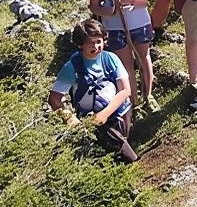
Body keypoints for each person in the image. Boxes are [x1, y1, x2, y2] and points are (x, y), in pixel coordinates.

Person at [48, 19, 137, 162]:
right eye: (91, 43)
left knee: (117, 144)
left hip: (119, 112)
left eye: (99, 41)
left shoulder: (110, 59)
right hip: (90, 119)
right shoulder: (72, 67)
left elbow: (125, 90)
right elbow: (54, 99)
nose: (96, 46)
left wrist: (104, 115)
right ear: (80, 45)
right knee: (115, 149)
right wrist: (72, 122)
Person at [89, 0, 158, 115]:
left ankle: (148, 95)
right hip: (113, 28)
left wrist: (129, 0)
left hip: (139, 23)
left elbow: (144, 1)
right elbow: (94, 6)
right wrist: (110, 10)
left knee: (144, 58)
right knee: (125, 65)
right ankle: (133, 102)